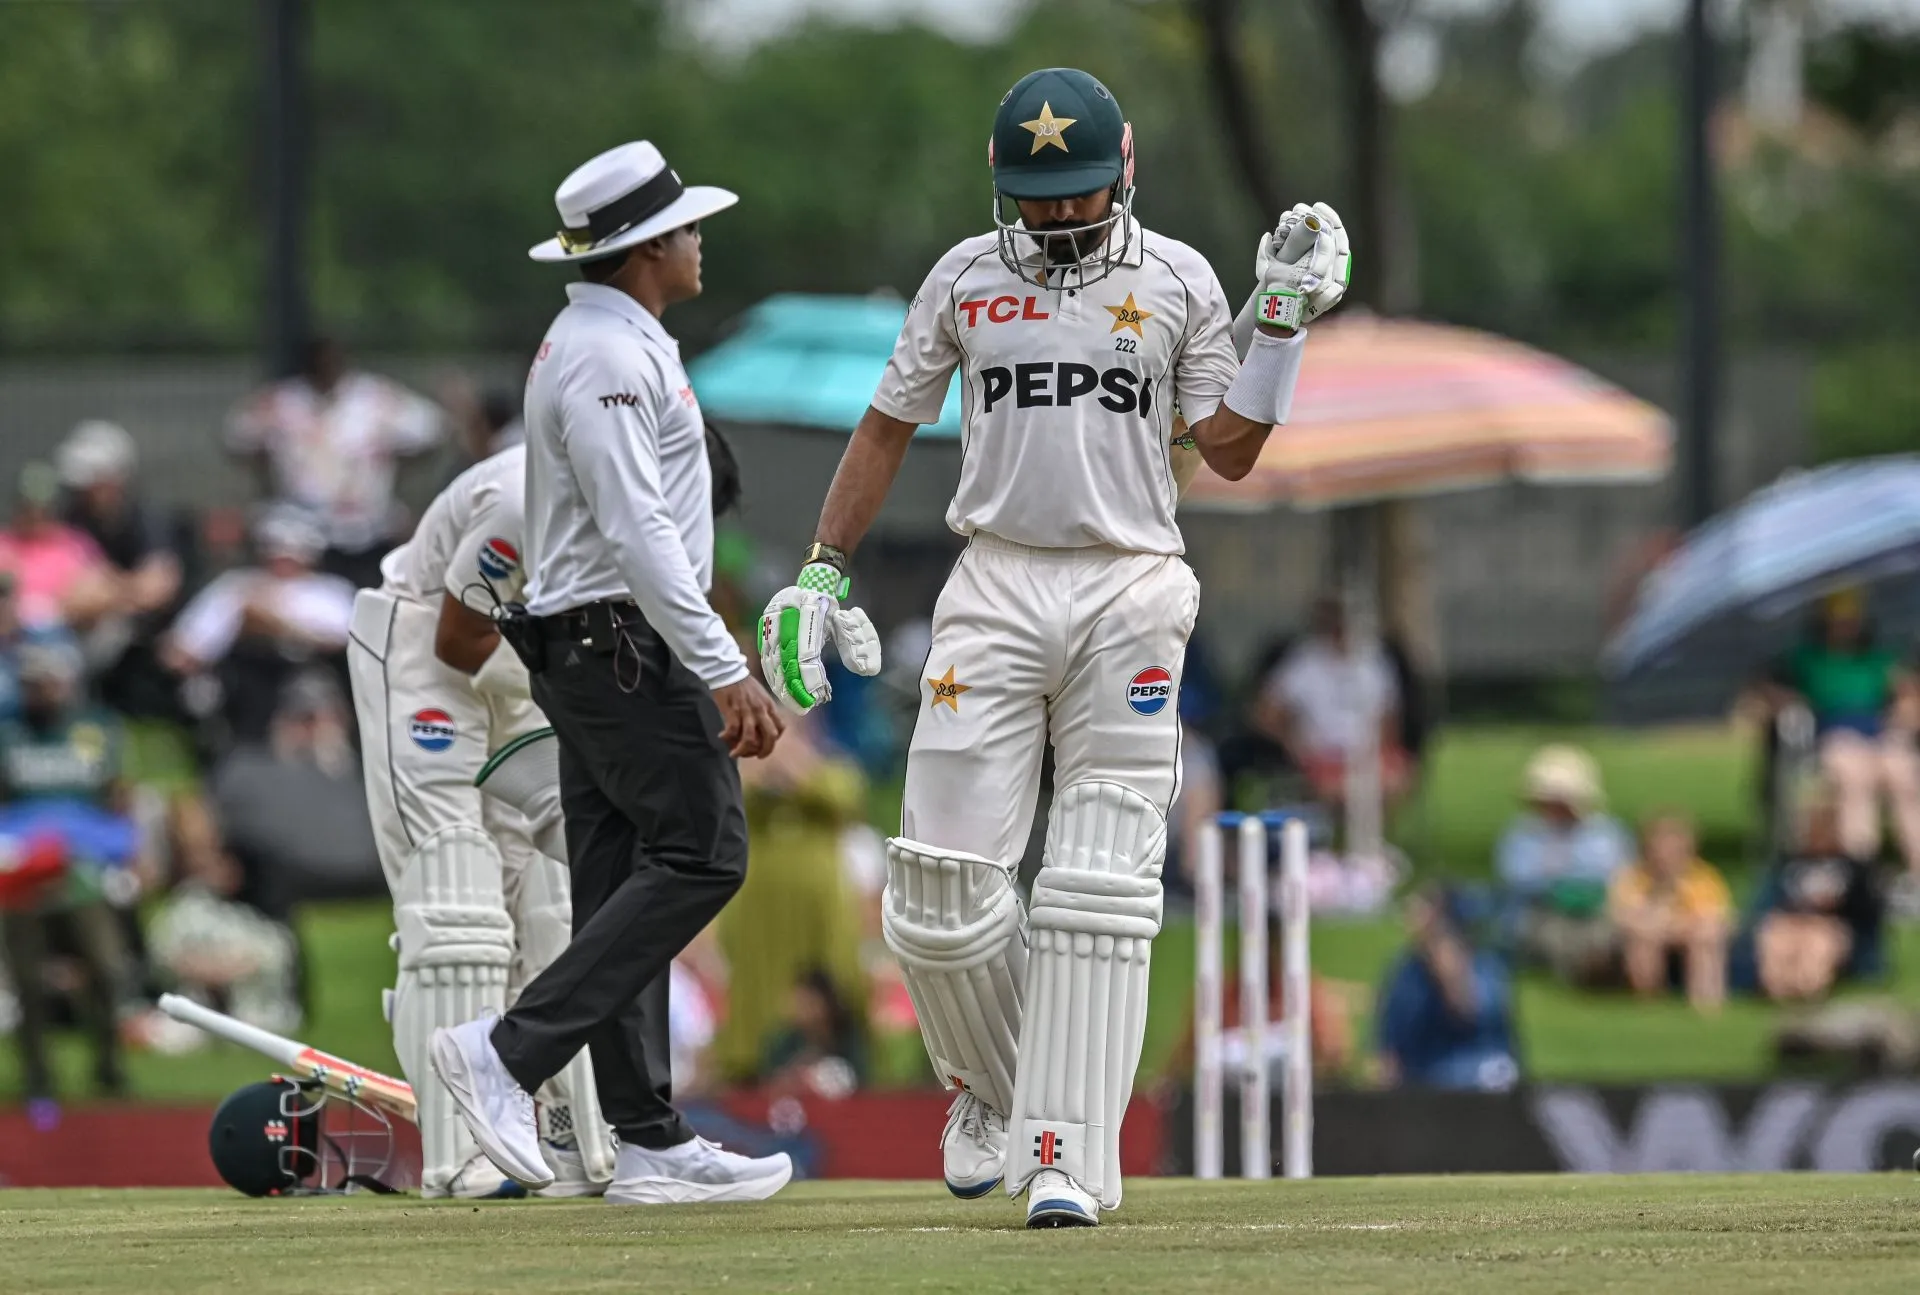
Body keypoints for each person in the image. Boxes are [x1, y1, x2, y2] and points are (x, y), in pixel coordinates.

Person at [757, 67, 1349, 1226]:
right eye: (1040, 200)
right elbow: (886, 426)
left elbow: (1226, 454)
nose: (1061, 218)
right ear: (1001, 188)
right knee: (934, 894)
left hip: (1131, 579)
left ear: (1122, 170)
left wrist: (1276, 324)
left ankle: (1066, 1153)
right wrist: (821, 568)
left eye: (1078, 196)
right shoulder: (964, 280)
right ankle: (988, 1087)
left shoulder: (1177, 278)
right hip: (995, 578)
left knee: (1093, 889)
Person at [430, 140, 794, 1206]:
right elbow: (641, 534)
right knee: (705, 853)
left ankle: (644, 1136)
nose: (697, 241)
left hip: (596, 644)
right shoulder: (604, 356)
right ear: (644, 250)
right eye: (684, 228)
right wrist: (725, 666)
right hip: (622, 644)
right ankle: (507, 1051)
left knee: (619, 879)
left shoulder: (608, 339)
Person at [343, 442, 612, 1199]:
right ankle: (460, 1151)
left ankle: (573, 1136)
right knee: (455, 895)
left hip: (529, 661)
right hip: (429, 645)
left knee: (559, 898)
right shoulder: (529, 500)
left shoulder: (660, 499)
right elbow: (460, 640)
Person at [0, 631, 143, 1117]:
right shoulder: (8, 731)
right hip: (21, 871)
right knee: (28, 979)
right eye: (32, 682)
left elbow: (118, 796)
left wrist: (125, 852)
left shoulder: (96, 729)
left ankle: (108, 1065)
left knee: (104, 967)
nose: (42, 690)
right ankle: (38, 1075)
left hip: (83, 867)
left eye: (49, 681)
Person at [227, 336, 445, 588]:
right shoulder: (282, 401)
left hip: (367, 527)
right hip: (300, 527)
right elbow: (237, 437)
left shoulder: (375, 399)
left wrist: (396, 466)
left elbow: (431, 432)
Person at [56, 420, 193, 785]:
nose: (83, 490)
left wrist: (106, 586)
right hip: (93, 643)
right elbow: (68, 600)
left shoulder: (149, 520)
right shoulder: (72, 521)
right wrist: (120, 589)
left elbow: (157, 590)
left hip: (149, 645)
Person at [1753, 589, 1920, 873]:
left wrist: (1904, 708)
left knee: (1904, 777)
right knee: (1855, 779)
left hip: (1879, 735)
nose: (1845, 626)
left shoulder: (1877, 657)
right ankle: (1862, 868)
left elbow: (1905, 689)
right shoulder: (1807, 658)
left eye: (1851, 620)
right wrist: (1786, 703)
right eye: (1838, 620)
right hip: (1835, 735)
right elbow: (1767, 688)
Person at [162, 507, 355, 748]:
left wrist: (275, 625)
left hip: (311, 681)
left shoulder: (331, 593)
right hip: (242, 689)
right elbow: (181, 650)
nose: (282, 559)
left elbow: (346, 640)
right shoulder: (237, 586)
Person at [1242, 595, 1412, 809]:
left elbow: (1390, 718)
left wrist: (1374, 750)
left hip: (1366, 757)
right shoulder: (1304, 661)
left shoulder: (1375, 661)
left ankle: (1369, 838)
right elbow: (1264, 713)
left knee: (1395, 777)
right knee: (1336, 788)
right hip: (1319, 759)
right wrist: (1293, 743)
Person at [1496, 744, 1633, 986]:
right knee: (1555, 934)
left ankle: (1606, 970)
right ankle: (1584, 973)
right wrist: (1559, 883)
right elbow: (1518, 878)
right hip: (1541, 911)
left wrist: (1567, 880)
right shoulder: (1523, 833)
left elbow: (1617, 875)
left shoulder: (1605, 832)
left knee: (1607, 930)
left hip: (1596, 910)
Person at [1376, 886, 1519, 1092]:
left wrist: (1448, 966)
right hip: (1435, 1087)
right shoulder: (1407, 977)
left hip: (1489, 1075)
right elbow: (1389, 1053)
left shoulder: (1486, 966)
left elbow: (1468, 1011)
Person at [1752, 788, 1887, 1002]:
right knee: (1776, 937)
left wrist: (1838, 902)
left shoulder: (1853, 867)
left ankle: (1807, 990)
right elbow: (1764, 904)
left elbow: (1870, 909)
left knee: (1817, 941)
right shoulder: (1789, 864)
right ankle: (1778, 990)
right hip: (1793, 920)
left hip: (1832, 924)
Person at [1608, 811, 1733, 1012]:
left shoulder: (1702, 878)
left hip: (1686, 935)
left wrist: (1672, 923)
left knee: (1705, 938)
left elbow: (1715, 917)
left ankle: (1706, 1001)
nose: (1665, 855)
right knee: (1643, 936)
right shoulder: (1635, 877)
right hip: (1649, 934)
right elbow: (1624, 914)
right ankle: (1647, 998)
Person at [0, 462, 106, 630]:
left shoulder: (75, 545)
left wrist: (59, 607)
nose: (35, 516)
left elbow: (101, 590)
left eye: (43, 509)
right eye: (28, 509)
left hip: (65, 632)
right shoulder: (4, 544)